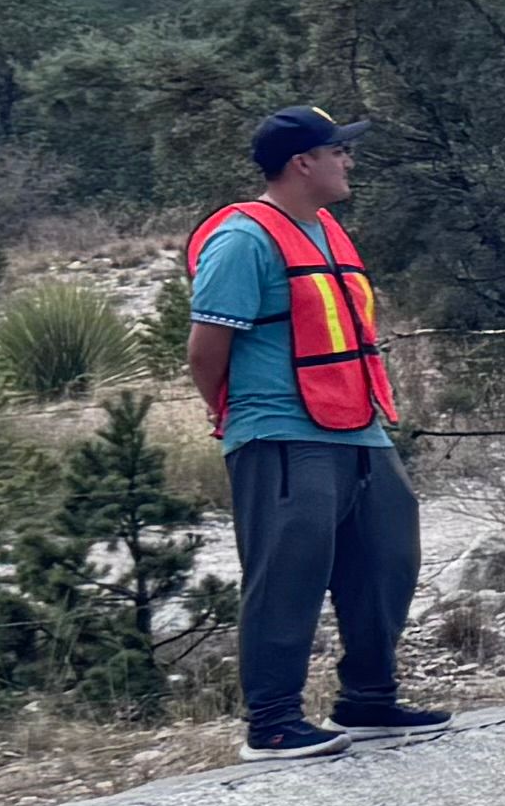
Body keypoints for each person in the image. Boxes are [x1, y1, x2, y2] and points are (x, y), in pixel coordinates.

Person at [182, 107, 455, 760]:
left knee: (388, 555)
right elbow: (205, 351)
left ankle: (369, 701)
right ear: (302, 163)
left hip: (357, 427)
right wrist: (237, 415)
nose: (349, 161)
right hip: (278, 430)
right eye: (338, 151)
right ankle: (273, 722)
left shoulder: (329, 230)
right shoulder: (242, 239)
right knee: (288, 570)